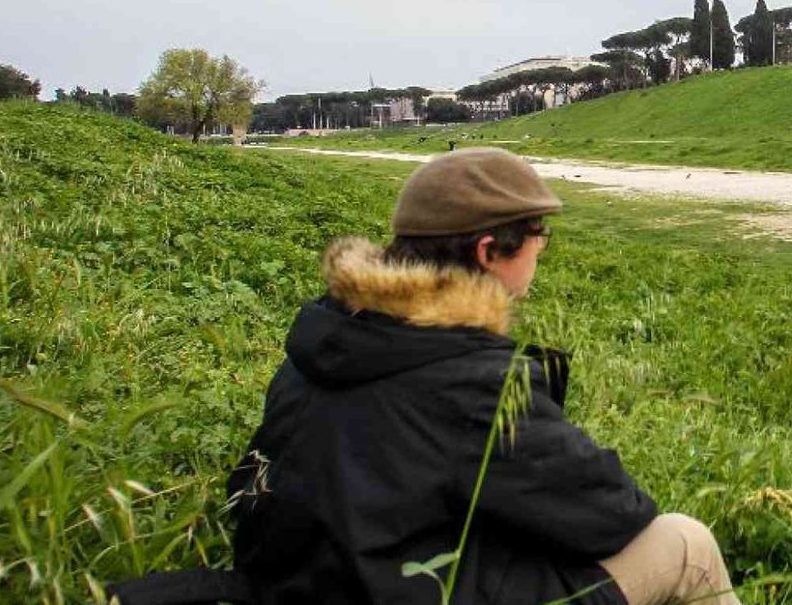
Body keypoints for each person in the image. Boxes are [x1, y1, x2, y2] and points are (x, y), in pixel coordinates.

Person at [226, 148, 741, 604]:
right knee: (684, 542)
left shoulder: (327, 330)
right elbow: (612, 513)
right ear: (489, 251)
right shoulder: (471, 378)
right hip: (405, 586)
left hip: (306, 580)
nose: (542, 249)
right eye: (540, 236)